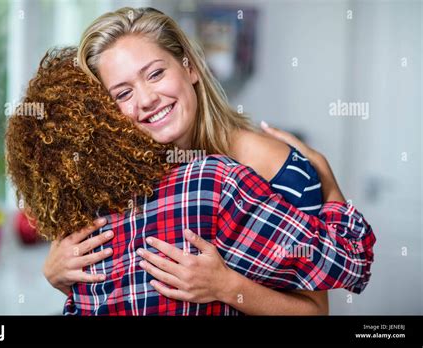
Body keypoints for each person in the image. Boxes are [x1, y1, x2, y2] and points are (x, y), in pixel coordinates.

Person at [43, 7, 375, 315]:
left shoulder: (268, 164)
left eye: (156, 73)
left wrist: (227, 287)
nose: (146, 99)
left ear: (190, 67)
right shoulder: (126, 180)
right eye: (123, 94)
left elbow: (315, 311)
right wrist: (57, 275)